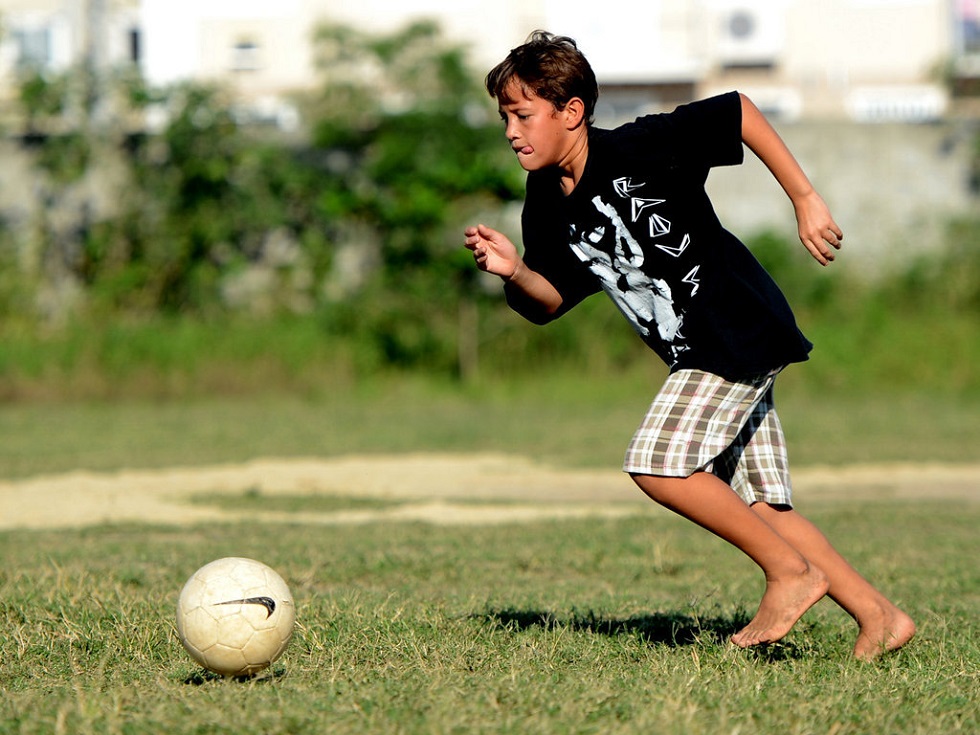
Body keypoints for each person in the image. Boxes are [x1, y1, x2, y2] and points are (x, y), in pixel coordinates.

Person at [463, 31, 915, 660]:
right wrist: (513, 272)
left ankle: (790, 576)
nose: (512, 130)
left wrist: (805, 199)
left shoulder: (641, 146)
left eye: (523, 114)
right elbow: (550, 302)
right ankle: (881, 616)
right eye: (505, 117)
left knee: (658, 464)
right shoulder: (545, 203)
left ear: (571, 113)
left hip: (733, 330)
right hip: (703, 348)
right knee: (768, 510)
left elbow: (738, 111)